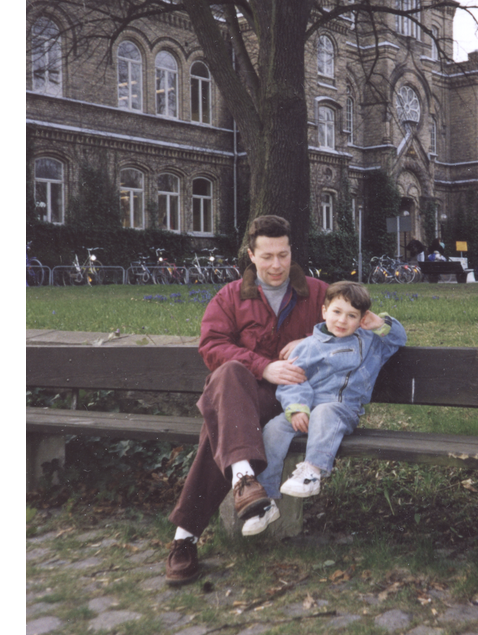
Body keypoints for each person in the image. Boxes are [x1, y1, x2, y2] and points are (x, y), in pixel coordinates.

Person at [164, 215, 329, 586]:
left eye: (283, 255)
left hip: (290, 401)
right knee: (230, 373)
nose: (276, 265)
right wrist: (264, 366)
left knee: (219, 429)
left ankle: (184, 539)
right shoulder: (230, 296)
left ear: (291, 252)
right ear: (251, 255)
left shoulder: (319, 293)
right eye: (267, 256)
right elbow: (212, 347)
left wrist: (315, 339)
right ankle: (243, 478)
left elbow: (362, 320)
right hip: (244, 393)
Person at [240, 281, 407, 537]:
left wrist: (380, 323)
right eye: (337, 312)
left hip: (342, 410)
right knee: (273, 428)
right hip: (307, 410)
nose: (342, 320)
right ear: (324, 311)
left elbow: (399, 338)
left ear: (362, 319)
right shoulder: (307, 346)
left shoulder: (371, 342)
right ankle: (267, 500)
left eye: (352, 316)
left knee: (326, 410)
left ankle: (312, 472)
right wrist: (297, 410)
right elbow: (293, 380)